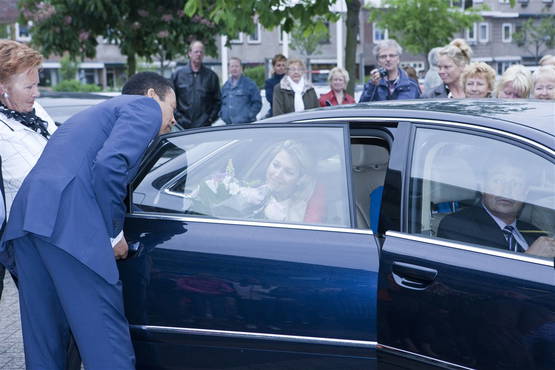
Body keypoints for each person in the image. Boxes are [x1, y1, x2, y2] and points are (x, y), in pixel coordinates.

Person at [0, 71, 177, 369]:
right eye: (173, 107)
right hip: (69, 227)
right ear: (151, 96)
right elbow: (109, 166)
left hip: (28, 224)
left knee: (44, 344)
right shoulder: (142, 108)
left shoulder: (91, 116)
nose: (173, 119)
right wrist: (113, 234)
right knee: (106, 340)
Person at [437, 161, 555, 258]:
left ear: (524, 194)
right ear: (483, 187)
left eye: (516, 183)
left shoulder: (536, 234)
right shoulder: (458, 226)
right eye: (498, 181)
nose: (507, 190)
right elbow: (477, 281)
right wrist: (531, 258)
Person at [171, 40, 220, 128]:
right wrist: (179, 118)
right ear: (189, 53)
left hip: (204, 127)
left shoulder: (211, 76)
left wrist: (210, 119)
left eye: (201, 52)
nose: (199, 54)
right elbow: (171, 100)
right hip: (181, 127)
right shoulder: (178, 75)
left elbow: (217, 101)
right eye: (196, 51)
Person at [220, 57, 262, 124]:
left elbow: (257, 103)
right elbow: (220, 103)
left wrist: (249, 116)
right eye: (232, 66)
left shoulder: (250, 84)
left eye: (236, 66)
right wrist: (223, 115)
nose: (234, 69)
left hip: (245, 126)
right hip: (228, 126)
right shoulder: (225, 86)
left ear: (241, 68)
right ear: (229, 69)